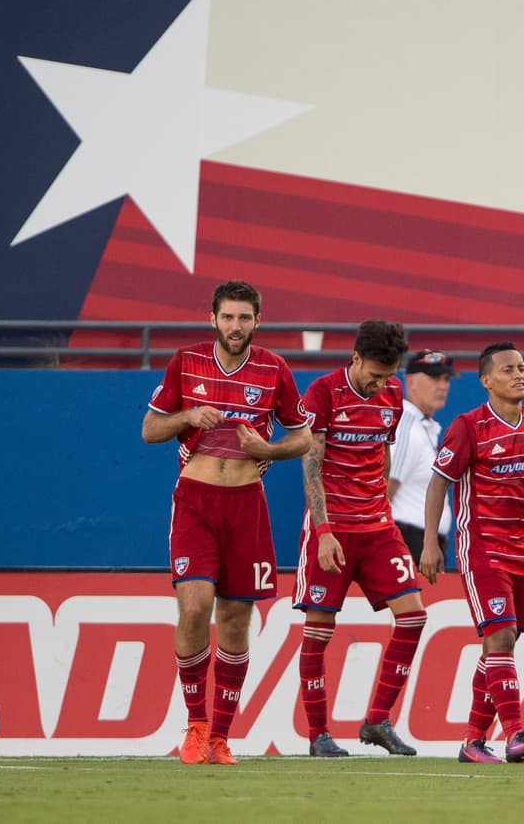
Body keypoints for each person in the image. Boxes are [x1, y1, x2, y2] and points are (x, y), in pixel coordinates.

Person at [141, 279, 313, 766]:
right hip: (195, 500)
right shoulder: (186, 361)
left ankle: (220, 736)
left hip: (246, 504)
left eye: (244, 317)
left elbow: (303, 438)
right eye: (228, 317)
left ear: (258, 320)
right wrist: (187, 415)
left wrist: (269, 451)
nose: (236, 326)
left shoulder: (274, 369)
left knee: (237, 620)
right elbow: (150, 428)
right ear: (212, 319)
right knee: (195, 607)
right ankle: (195, 725)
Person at [419, 342, 524, 764]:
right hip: (482, 547)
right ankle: (515, 732)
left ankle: (473, 742)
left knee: (501, 645)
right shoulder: (469, 426)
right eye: (509, 369)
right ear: (486, 380)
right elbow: (439, 482)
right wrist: (431, 543)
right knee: (502, 636)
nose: (519, 375)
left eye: (523, 367)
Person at [294, 320, 427, 758]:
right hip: (331, 529)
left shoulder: (391, 395)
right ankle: (318, 736)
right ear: (354, 358)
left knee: (413, 616)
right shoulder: (323, 393)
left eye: (389, 375)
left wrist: (382, 503)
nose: (380, 383)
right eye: (375, 373)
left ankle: (376, 721)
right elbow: (310, 463)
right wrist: (324, 531)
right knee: (319, 630)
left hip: (376, 527)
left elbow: (383, 451)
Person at [389, 350, 457, 566]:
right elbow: (384, 490)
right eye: (435, 378)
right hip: (408, 542)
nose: (443, 385)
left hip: (424, 543)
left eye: (446, 379)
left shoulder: (422, 426)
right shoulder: (406, 426)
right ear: (411, 381)